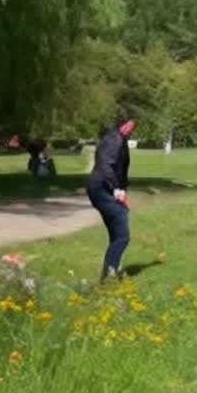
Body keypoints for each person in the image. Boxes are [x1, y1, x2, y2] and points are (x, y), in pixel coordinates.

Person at [87, 118, 136, 280]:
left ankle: (109, 272)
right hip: (101, 188)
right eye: (128, 125)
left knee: (116, 234)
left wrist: (122, 188)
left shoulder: (119, 139)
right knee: (122, 235)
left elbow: (121, 169)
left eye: (133, 126)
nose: (130, 129)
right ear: (121, 123)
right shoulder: (113, 139)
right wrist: (116, 188)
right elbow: (106, 165)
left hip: (104, 187)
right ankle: (109, 274)